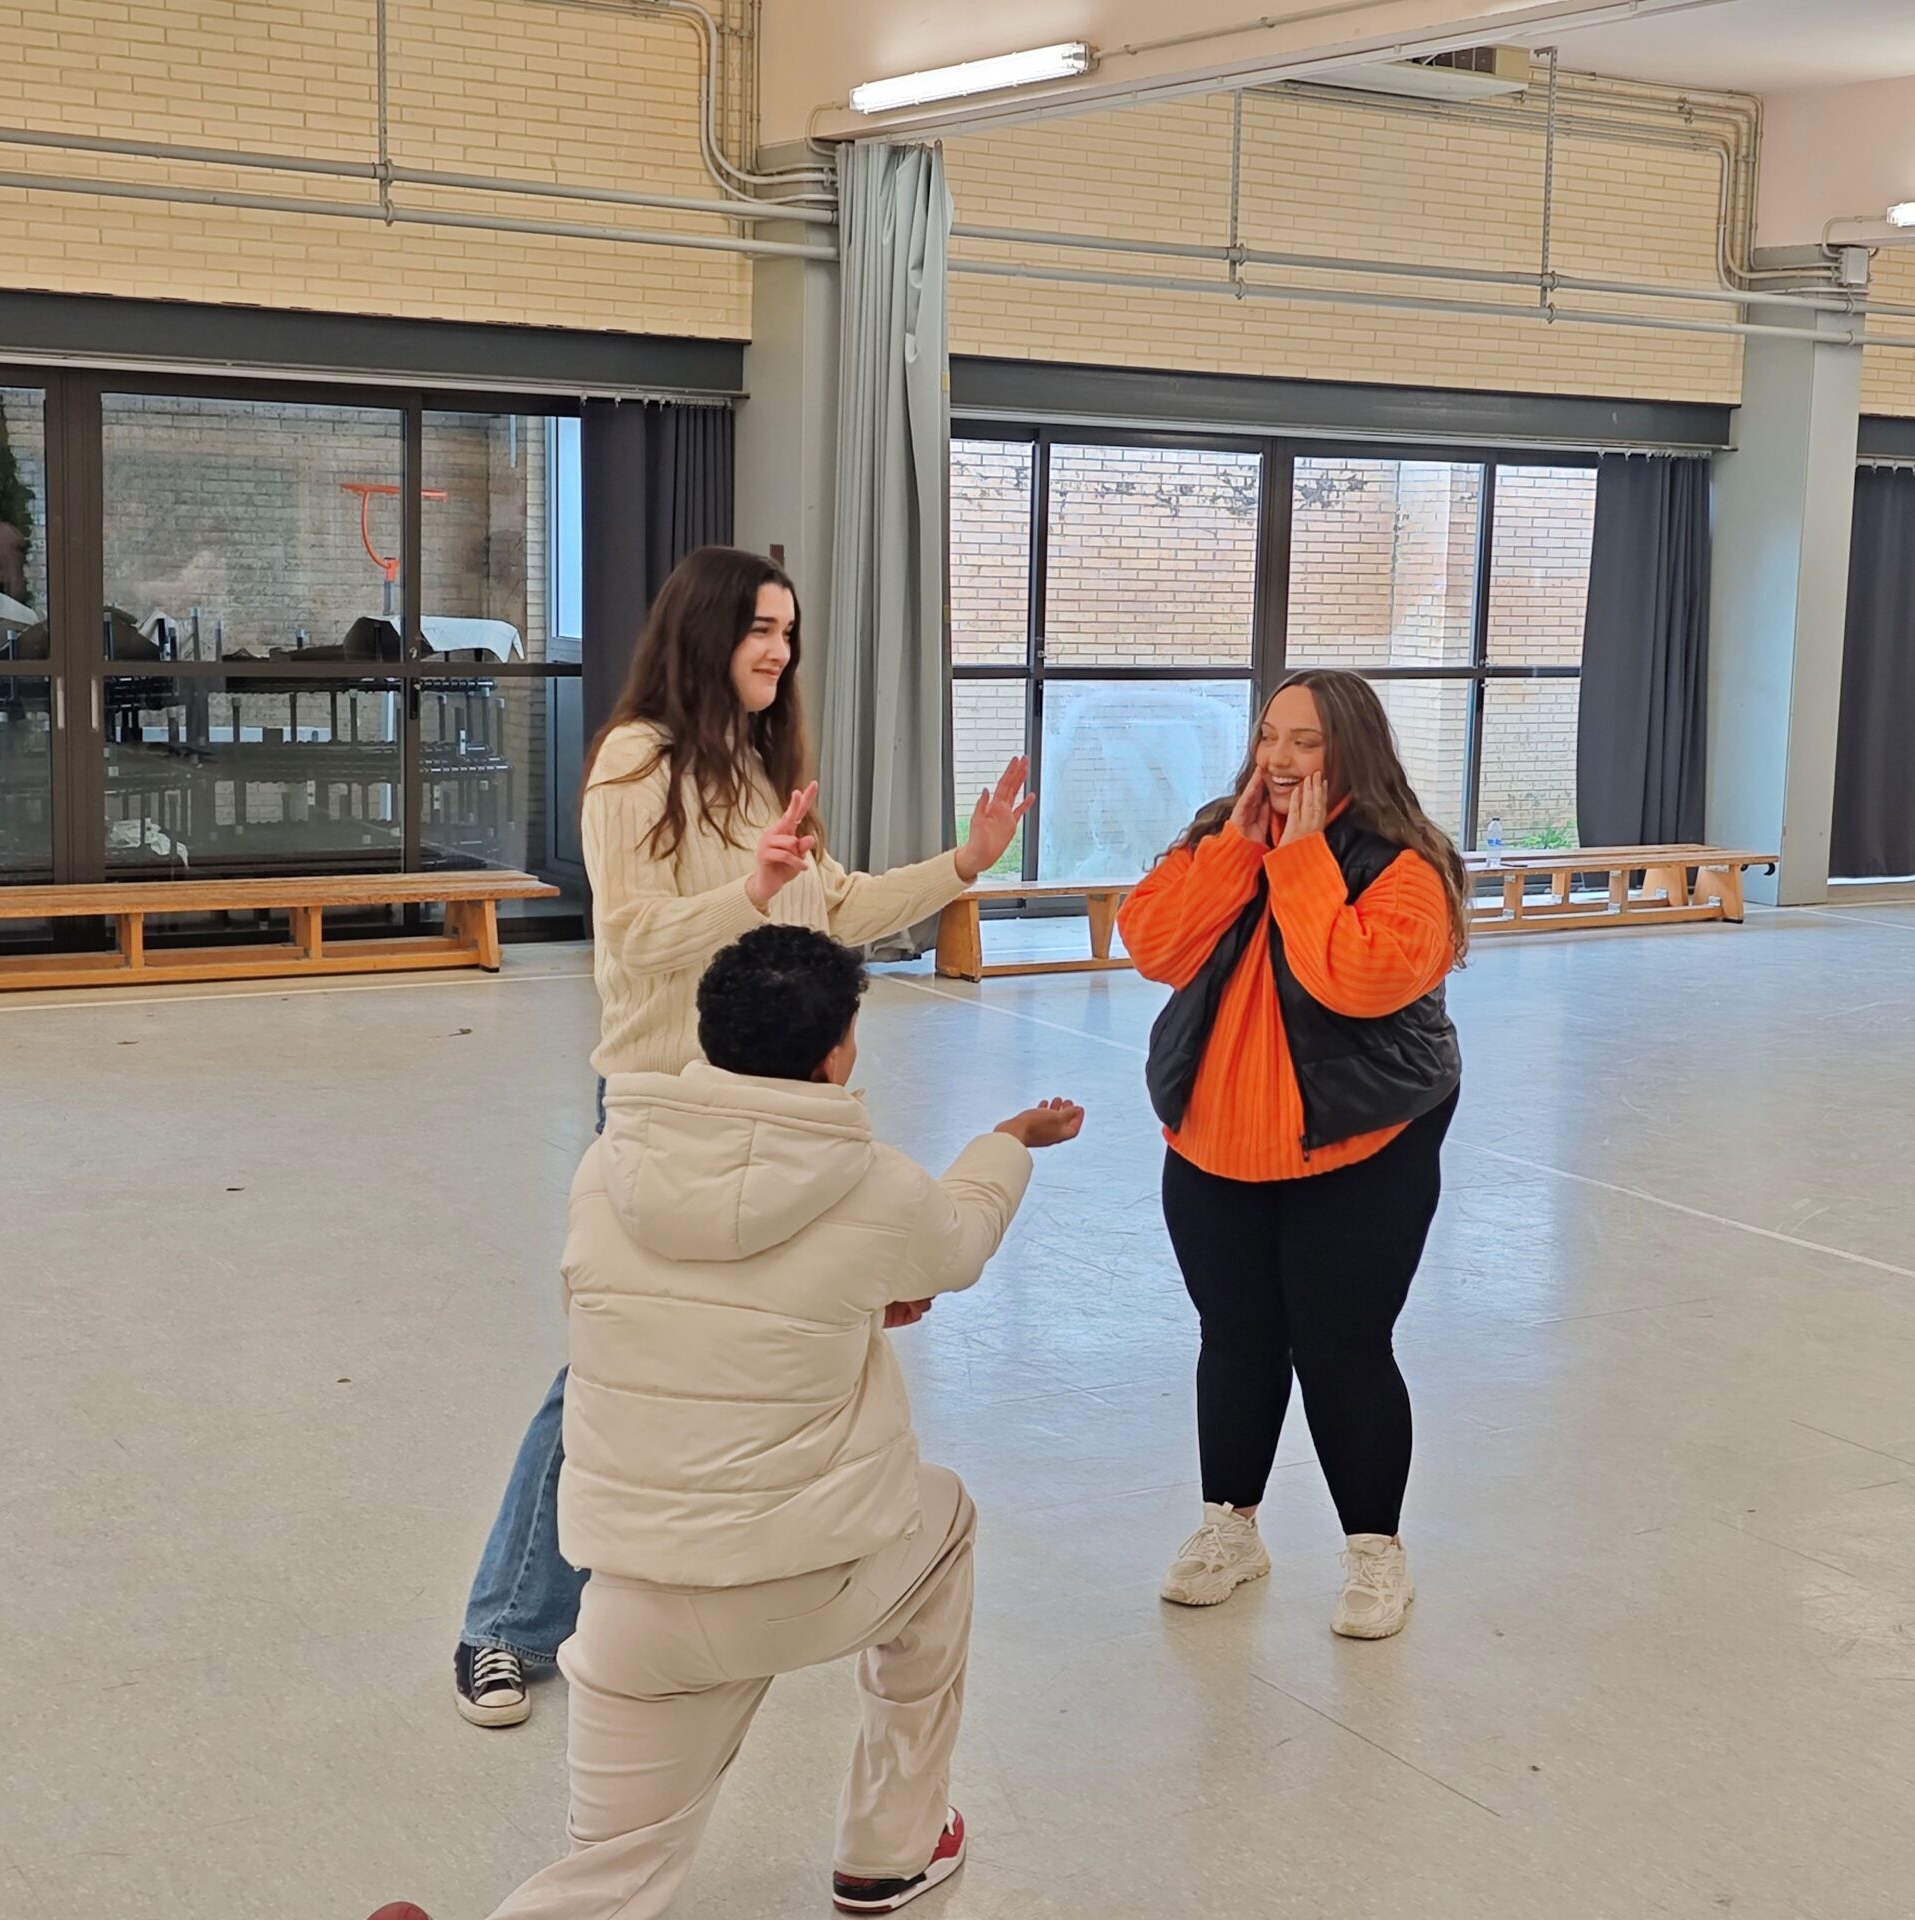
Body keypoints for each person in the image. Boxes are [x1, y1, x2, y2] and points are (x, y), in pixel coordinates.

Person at [380, 925, 1084, 1920]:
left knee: (611, 1877)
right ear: (834, 1054)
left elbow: (643, 1314)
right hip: (796, 1585)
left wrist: (838, 1307)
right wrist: (1004, 1143)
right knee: (946, 1518)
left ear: (708, 1035)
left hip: (628, 1603)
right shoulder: (875, 1185)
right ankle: (890, 1851)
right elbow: (958, 1244)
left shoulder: (606, 1169)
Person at [454, 545, 1031, 1728]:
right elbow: (635, 942)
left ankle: (731, 1592)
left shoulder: (763, 771)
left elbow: (837, 906)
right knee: (611, 1369)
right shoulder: (637, 763)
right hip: (667, 1109)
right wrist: (751, 893)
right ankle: (503, 1626)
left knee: (763, 1351)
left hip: (783, 1110)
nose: (779, 649)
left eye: (788, 631)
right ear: (707, 633)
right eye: (761, 628)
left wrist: (963, 864)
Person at [1116, 669, 1467, 1641]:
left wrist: (1304, 861)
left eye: (1304, 742)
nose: (1277, 759)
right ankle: (1229, 1530)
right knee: (1234, 1337)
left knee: (1342, 1347)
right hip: (1213, 1137)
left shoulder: (1404, 861)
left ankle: (1375, 1553)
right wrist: (1236, 853)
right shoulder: (1218, 832)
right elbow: (1153, 944)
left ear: (1352, 751)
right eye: (1269, 735)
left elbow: (1355, 979)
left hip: (1361, 1140)